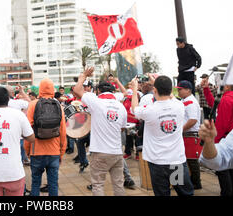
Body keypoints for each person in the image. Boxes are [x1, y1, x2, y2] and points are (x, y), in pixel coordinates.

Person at [130, 75, 194, 196]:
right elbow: (171, 96)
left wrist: (134, 89)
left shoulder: (149, 110)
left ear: (155, 90)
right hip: (176, 161)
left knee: (162, 193)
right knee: (183, 192)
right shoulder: (179, 106)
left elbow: (134, 109)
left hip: (157, 162)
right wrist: (157, 83)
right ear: (171, 90)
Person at [74, 68, 127, 196]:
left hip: (100, 152)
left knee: (98, 185)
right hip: (117, 152)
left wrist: (84, 75)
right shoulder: (121, 106)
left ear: (98, 91)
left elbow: (76, 90)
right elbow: (122, 128)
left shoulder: (96, 101)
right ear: (113, 91)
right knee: (119, 185)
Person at [24, 78, 67, 196]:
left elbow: (28, 130)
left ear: (40, 89)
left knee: (35, 184)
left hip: (36, 152)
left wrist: (27, 150)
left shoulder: (32, 105)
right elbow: (63, 131)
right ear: (52, 89)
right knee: (53, 184)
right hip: (54, 152)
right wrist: (61, 152)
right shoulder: (58, 105)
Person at [202, 82, 233, 196]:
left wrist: (214, 143)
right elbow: (214, 105)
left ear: (227, 86)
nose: (218, 87)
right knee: (232, 170)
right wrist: (206, 89)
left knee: (223, 171)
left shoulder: (227, 100)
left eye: (221, 85)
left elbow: (222, 124)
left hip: (225, 140)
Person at [198, 119, 233, 196]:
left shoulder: (227, 106)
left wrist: (215, 139)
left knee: (227, 175)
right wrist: (210, 141)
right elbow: (219, 158)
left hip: (229, 141)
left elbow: (222, 124)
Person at [176, 80, 202, 189]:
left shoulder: (191, 101)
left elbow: (192, 120)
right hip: (187, 134)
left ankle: (196, 183)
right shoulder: (185, 100)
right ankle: (184, 182)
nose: (178, 91)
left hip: (190, 134)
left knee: (191, 160)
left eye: (180, 89)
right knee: (186, 160)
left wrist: (180, 130)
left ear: (188, 90)